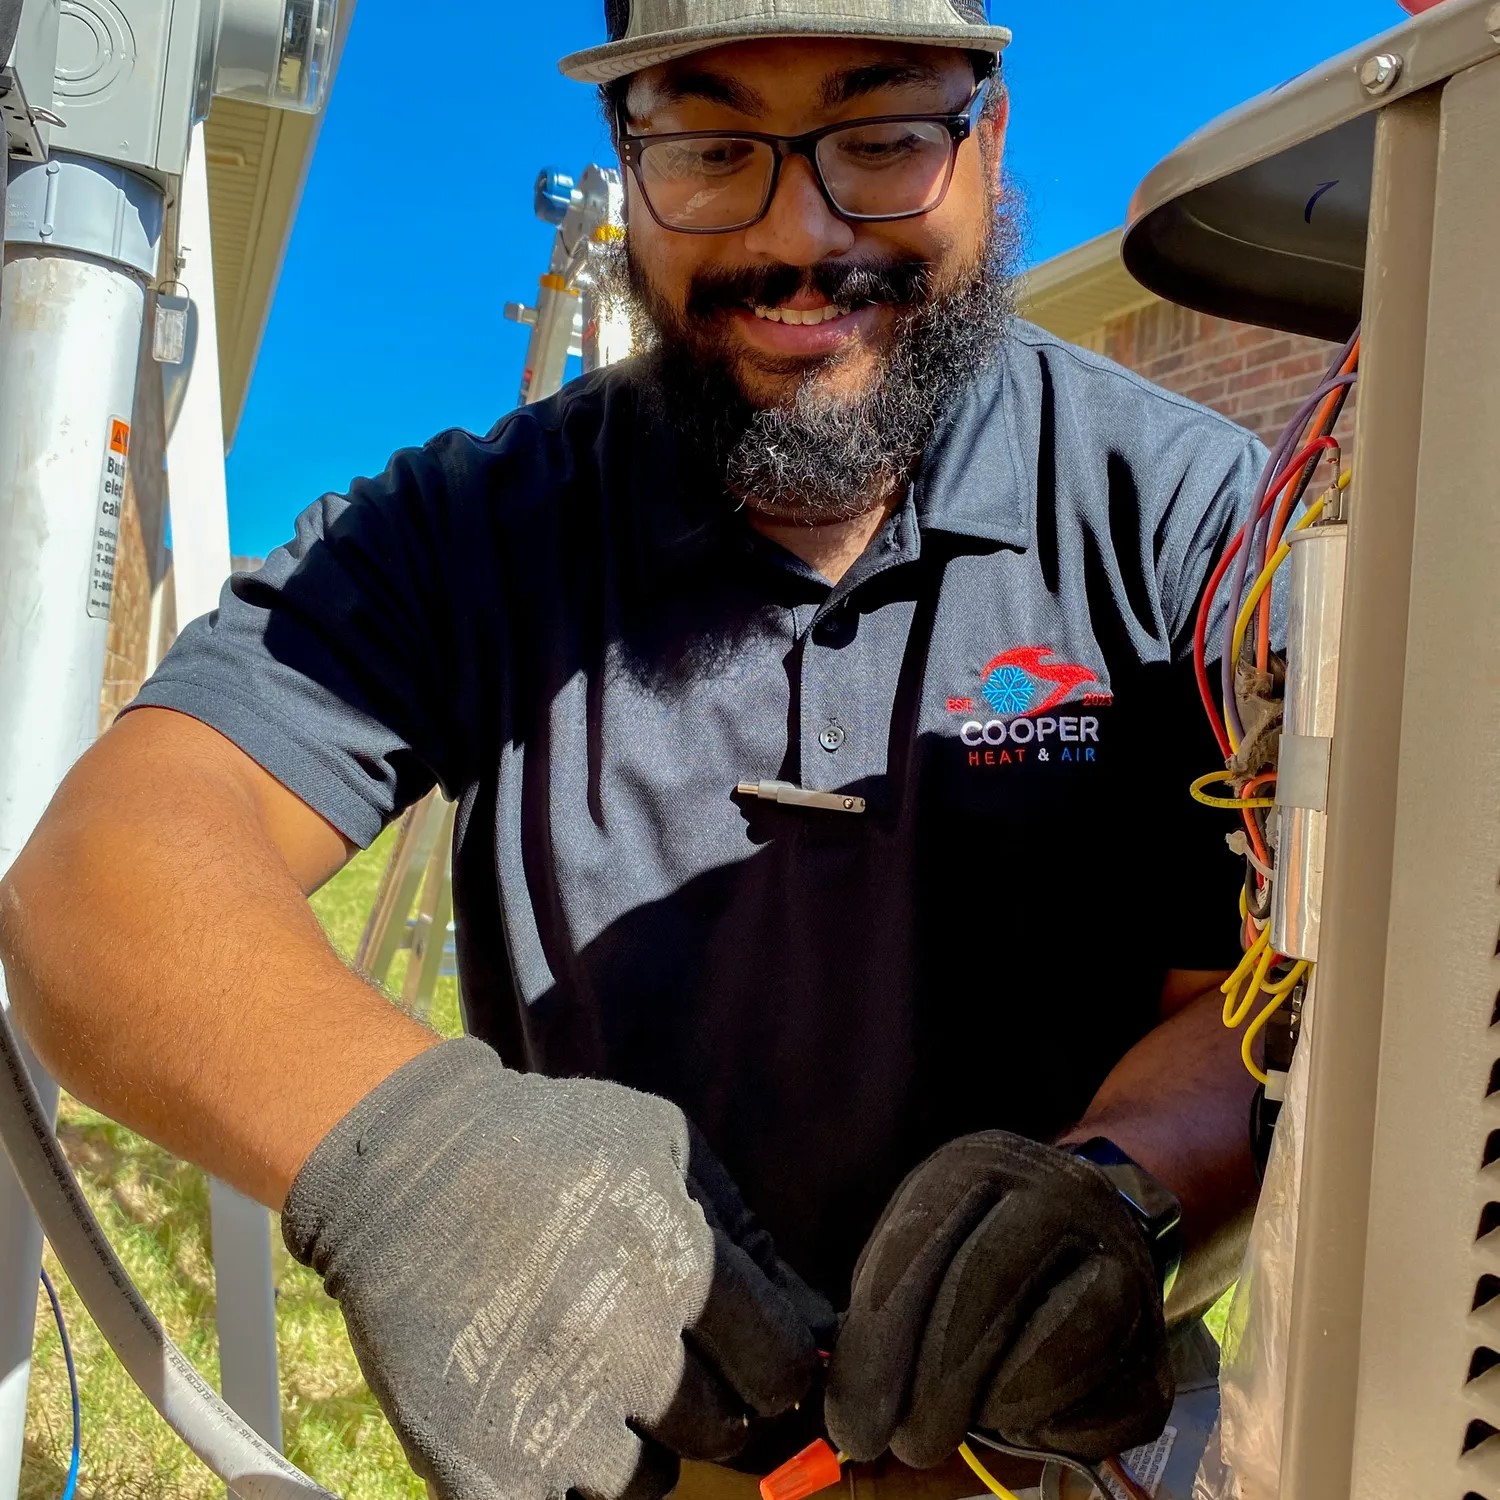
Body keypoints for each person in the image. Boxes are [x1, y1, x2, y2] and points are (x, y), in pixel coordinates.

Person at [0, 3, 1265, 1498]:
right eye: (716, 148)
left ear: (987, 143)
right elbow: (107, 876)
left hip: (1053, 1464)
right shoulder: (477, 530)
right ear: (628, 164)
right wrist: (426, 1165)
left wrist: (1128, 1193)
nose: (802, 234)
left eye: (881, 138)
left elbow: (1275, 999)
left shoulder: (1187, 519)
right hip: (617, 1463)